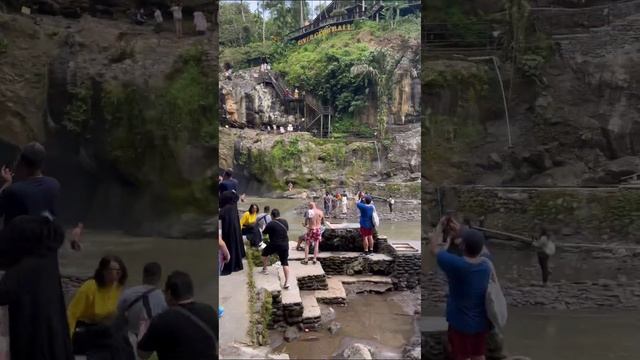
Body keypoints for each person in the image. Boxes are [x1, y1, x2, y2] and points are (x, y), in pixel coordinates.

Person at [0, 216, 73, 360]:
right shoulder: (48, 259)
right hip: (55, 337)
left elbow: (2, 294)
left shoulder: (22, 270)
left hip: (31, 342)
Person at [0, 142, 83, 250]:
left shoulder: (13, 191)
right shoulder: (54, 185)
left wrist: (5, 184)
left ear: (21, 164)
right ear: (43, 164)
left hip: (17, 258)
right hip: (46, 255)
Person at [430, 219, 491, 360]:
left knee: (461, 356)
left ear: (462, 246)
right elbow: (482, 248)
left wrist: (439, 226)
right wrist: (462, 229)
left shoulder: (456, 265)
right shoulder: (487, 263)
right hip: (482, 322)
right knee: (479, 354)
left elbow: (434, 248)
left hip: (460, 322)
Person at [137, 271, 217, 359]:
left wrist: (142, 332)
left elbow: (143, 354)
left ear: (169, 293)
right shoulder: (210, 311)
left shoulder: (162, 320)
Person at [68, 255, 128, 357]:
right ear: (103, 271)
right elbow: (71, 315)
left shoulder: (118, 286)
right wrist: (67, 342)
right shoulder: (90, 287)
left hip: (104, 327)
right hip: (85, 328)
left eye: (120, 270)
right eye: (114, 270)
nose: (118, 273)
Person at [116, 262, 168, 358]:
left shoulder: (128, 294)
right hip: (154, 343)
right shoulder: (165, 298)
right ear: (160, 277)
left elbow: (118, 316)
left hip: (131, 339)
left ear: (143, 275)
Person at [260, 209, 291, 289]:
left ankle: (265, 269)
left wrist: (264, 227)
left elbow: (264, 233)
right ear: (279, 214)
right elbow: (286, 230)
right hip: (284, 244)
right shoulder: (285, 222)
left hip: (274, 244)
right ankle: (287, 282)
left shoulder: (271, 223)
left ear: (272, 216)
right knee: (285, 263)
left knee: (264, 254)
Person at [219, 191, 244, 275]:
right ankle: (236, 265)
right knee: (235, 247)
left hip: (228, 232)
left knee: (230, 247)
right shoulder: (233, 207)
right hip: (235, 230)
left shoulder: (225, 209)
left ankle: (229, 265)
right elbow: (236, 197)